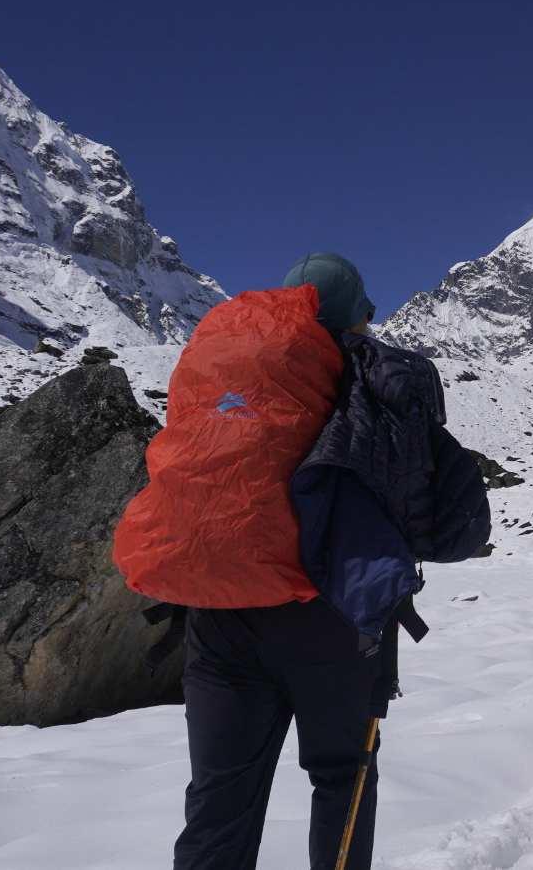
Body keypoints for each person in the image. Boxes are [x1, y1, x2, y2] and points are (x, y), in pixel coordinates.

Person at [118, 252, 488, 870]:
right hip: (329, 615)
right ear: (354, 317)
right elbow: (440, 520)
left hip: (216, 614)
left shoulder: (219, 363)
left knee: (220, 799)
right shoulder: (363, 372)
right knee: (343, 776)